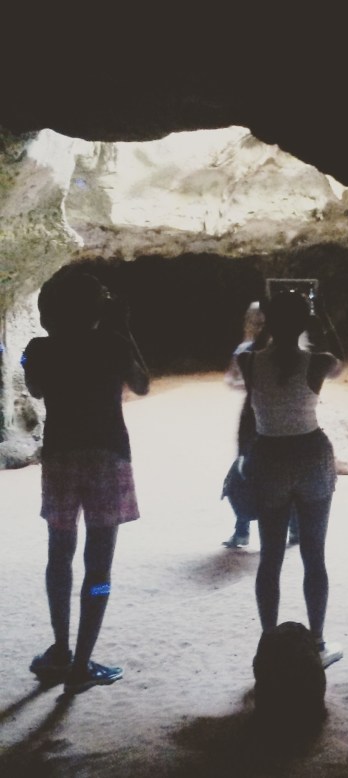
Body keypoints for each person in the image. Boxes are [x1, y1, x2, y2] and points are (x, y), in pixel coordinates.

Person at [22, 268, 150, 695]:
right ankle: (81, 664)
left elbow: (36, 389)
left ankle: (60, 648)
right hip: (107, 458)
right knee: (99, 567)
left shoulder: (38, 348)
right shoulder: (112, 343)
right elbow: (142, 384)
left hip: (60, 458)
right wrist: (123, 328)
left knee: (59, 556)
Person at [237, 289, 344, 669]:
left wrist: (271, 327)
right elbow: (339, 361)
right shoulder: (320, 362)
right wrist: (319, 319)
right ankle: (316, 641)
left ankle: (269, 643)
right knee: (314, 556)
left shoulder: (248, 362)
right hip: (310, 454)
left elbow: (260, 377)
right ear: (304, 321)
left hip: (270, 456)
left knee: (270, 558)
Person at [222, 301, 300, 548]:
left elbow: (233, 380)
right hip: (272, 416)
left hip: (254, 416)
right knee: (281, 473)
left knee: (246, 471)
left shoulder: (247, 351)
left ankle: (243, 528)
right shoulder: (287, 352)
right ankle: (292, 529)